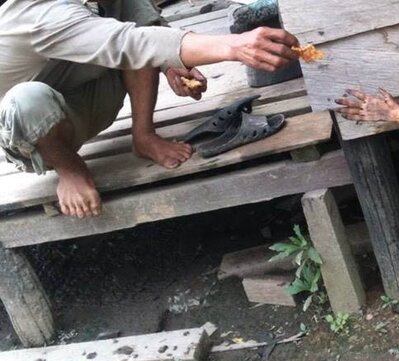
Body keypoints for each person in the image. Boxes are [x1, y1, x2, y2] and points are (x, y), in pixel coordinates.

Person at [0, 0, 299, 218]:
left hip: (83, 101)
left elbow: (141, 28)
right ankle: (69, 168)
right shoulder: (36, 11)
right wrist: (234, 45)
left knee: (136, 23)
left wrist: (170, 63)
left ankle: (143, 135)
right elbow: (126, 43)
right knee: (26, 99)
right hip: (30, 135)